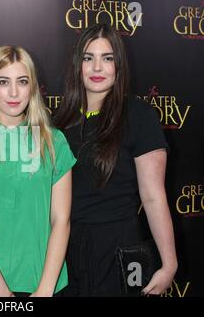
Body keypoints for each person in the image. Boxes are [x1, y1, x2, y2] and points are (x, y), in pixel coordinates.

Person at [53, 23, 177, 296]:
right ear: (78, 65)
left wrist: (169, 264)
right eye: (89, 58)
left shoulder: (138, 115)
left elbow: (153, 196)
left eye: (107, 58)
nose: (97, 67)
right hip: (64, 250)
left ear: (119, 65)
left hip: (119, 247)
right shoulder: (59, 123)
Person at [0, 46, 76, 297]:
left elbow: (61, 220)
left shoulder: (55, 142)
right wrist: (0, 291)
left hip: (47, 283)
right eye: (3, 82)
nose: (13, 92)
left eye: (22, 81)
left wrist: (45, 289)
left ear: (32, 87)